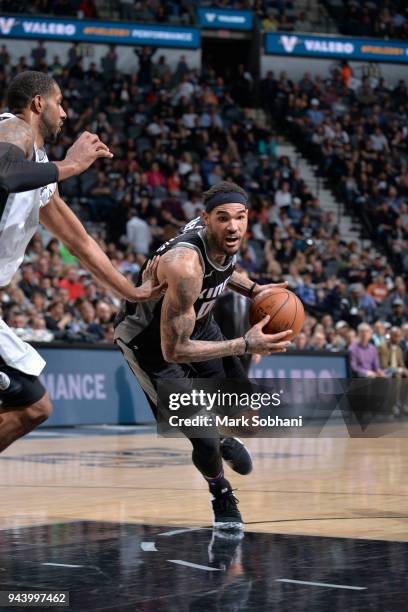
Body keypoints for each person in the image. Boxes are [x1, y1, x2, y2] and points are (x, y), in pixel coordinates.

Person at [0, 71, 164, 454]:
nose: (66, 113)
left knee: (32, 406)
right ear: (38, 104)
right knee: (31, 403)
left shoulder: (37, 171)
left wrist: (132, 290)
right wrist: (72, 165)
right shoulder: (15, 131)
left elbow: (81, 243)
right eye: (59, 102)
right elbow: (3, 172)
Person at [114, 181, 292, 531]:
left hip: (201, 325)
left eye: (240, 218)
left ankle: (226, 436)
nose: (233, 226)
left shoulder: (225, 238)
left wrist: (255, 290)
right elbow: (174, 350)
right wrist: (243, 345)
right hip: (153, 348)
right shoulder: (186, 267)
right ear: (205, 220)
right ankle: (220, 490)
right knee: (204, 439)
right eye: (224, 218)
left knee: (248, 417)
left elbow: (224, 273)